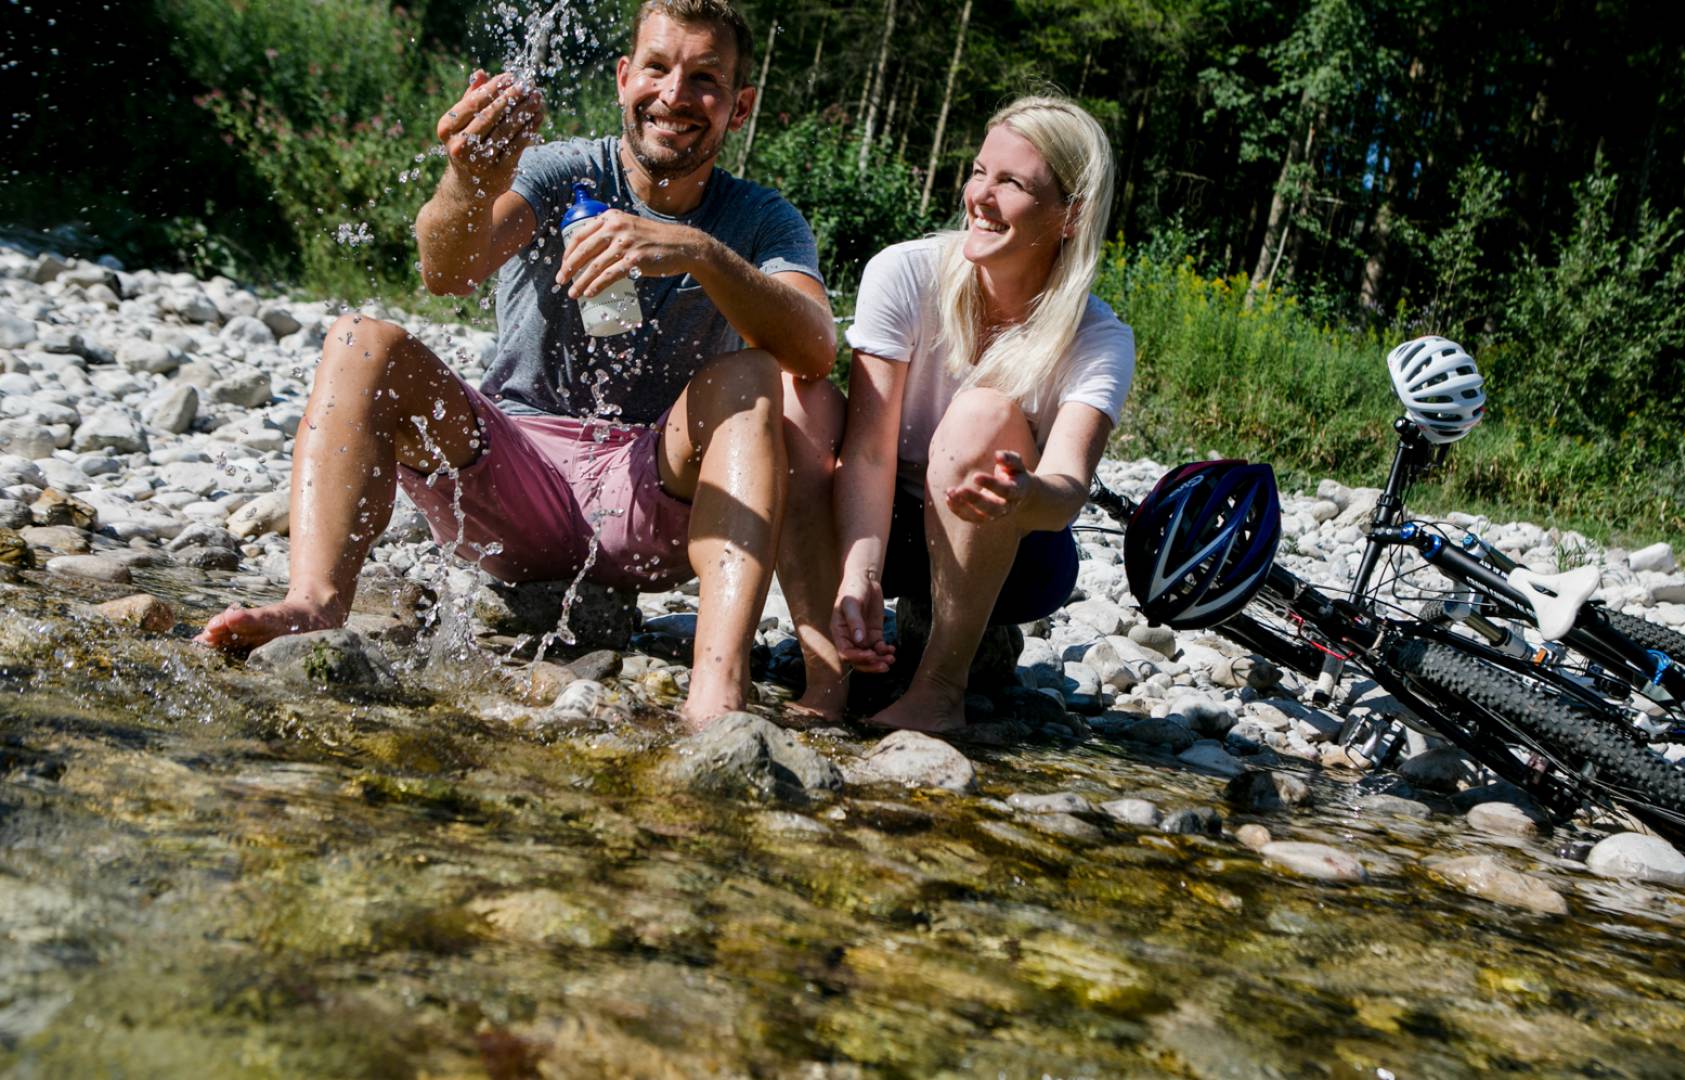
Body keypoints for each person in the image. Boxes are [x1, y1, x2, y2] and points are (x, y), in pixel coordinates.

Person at [196, 0, 847, 727]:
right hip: (512, 482)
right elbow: (447, 270)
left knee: (754, 377)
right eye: (658, 68)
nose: (674, 95)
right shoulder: (559, 169)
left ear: (739, 104)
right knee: (359, 340)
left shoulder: (761, 218)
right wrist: (469, 182)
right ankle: (313, 604)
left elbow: (815, 348)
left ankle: (716, 693)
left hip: (655, 500)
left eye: (705, 79)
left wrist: (698, 252)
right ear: (624, 76)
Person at [818, 96, 1134, 733]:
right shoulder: (904, 274)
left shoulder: (1099, 337)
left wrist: (1023, 493)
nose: (980, 196)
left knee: (982, 417)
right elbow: (869, 452)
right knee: (803, 401)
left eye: (1012, 183)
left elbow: (1068, 488)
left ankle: (941, 687)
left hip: (1015, 555)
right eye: (979, 171)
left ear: (1070, 216)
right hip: (881, 523)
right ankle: (824, 672)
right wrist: (861, 572)